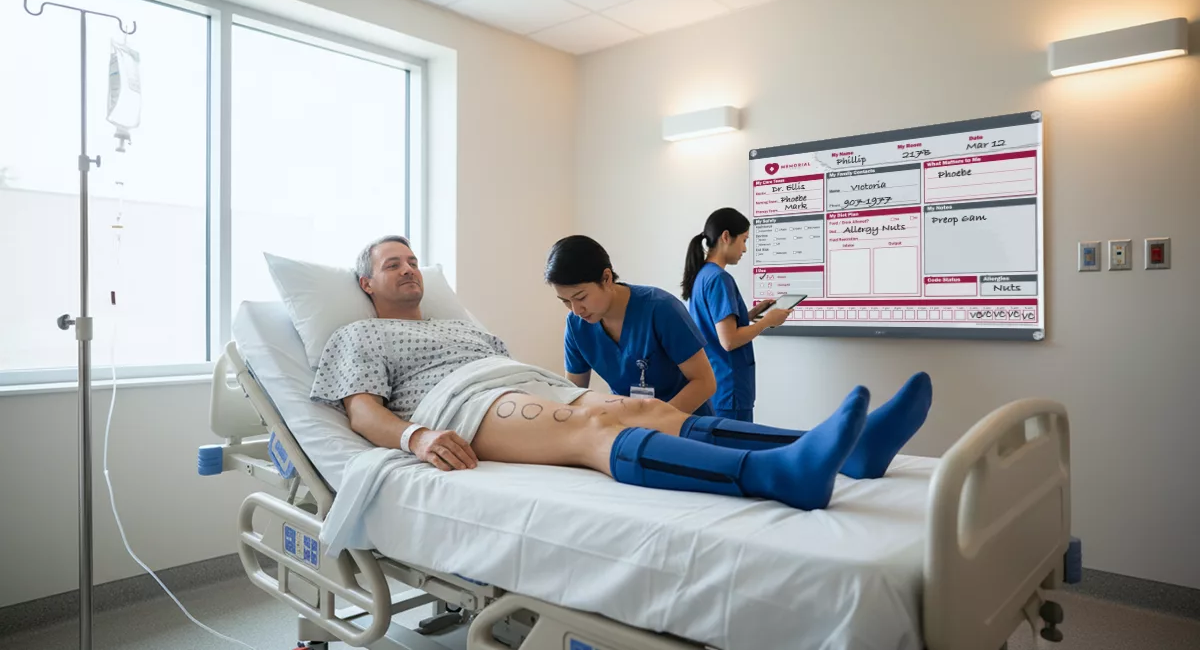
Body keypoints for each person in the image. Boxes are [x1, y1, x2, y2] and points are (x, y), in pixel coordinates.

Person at [309, 235, 933, 512]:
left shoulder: (465, 327)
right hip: (462, 404)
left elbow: (674, 386)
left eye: (415, 260)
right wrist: (415, 437)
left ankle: (851, 451)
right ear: (366, 283)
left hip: (513, 379)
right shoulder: (358, 334)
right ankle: (772, 474)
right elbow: (362, 411)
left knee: (650, 410)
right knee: (594, 426)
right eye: (394, 264)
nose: (410, 269)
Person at [543, 235, 717, 416]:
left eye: (581, 297)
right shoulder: (576, 326)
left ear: (606, 278)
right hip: (632, 426)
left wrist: (655, 423)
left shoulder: (661, 309)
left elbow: (704, 382)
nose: (576, 310)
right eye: (565, 301)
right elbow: (574, 395)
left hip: (686, 424)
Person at [682, 208, 788, 421]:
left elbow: (716, 327)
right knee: (736, 450)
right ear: (726, 237)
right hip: (730, 390)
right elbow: (729, 341)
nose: (745, 249)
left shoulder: (703, 275)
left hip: (716, 386)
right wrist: (767, 321)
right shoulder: (719, 279)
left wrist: (750, 315)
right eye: (744, 240)